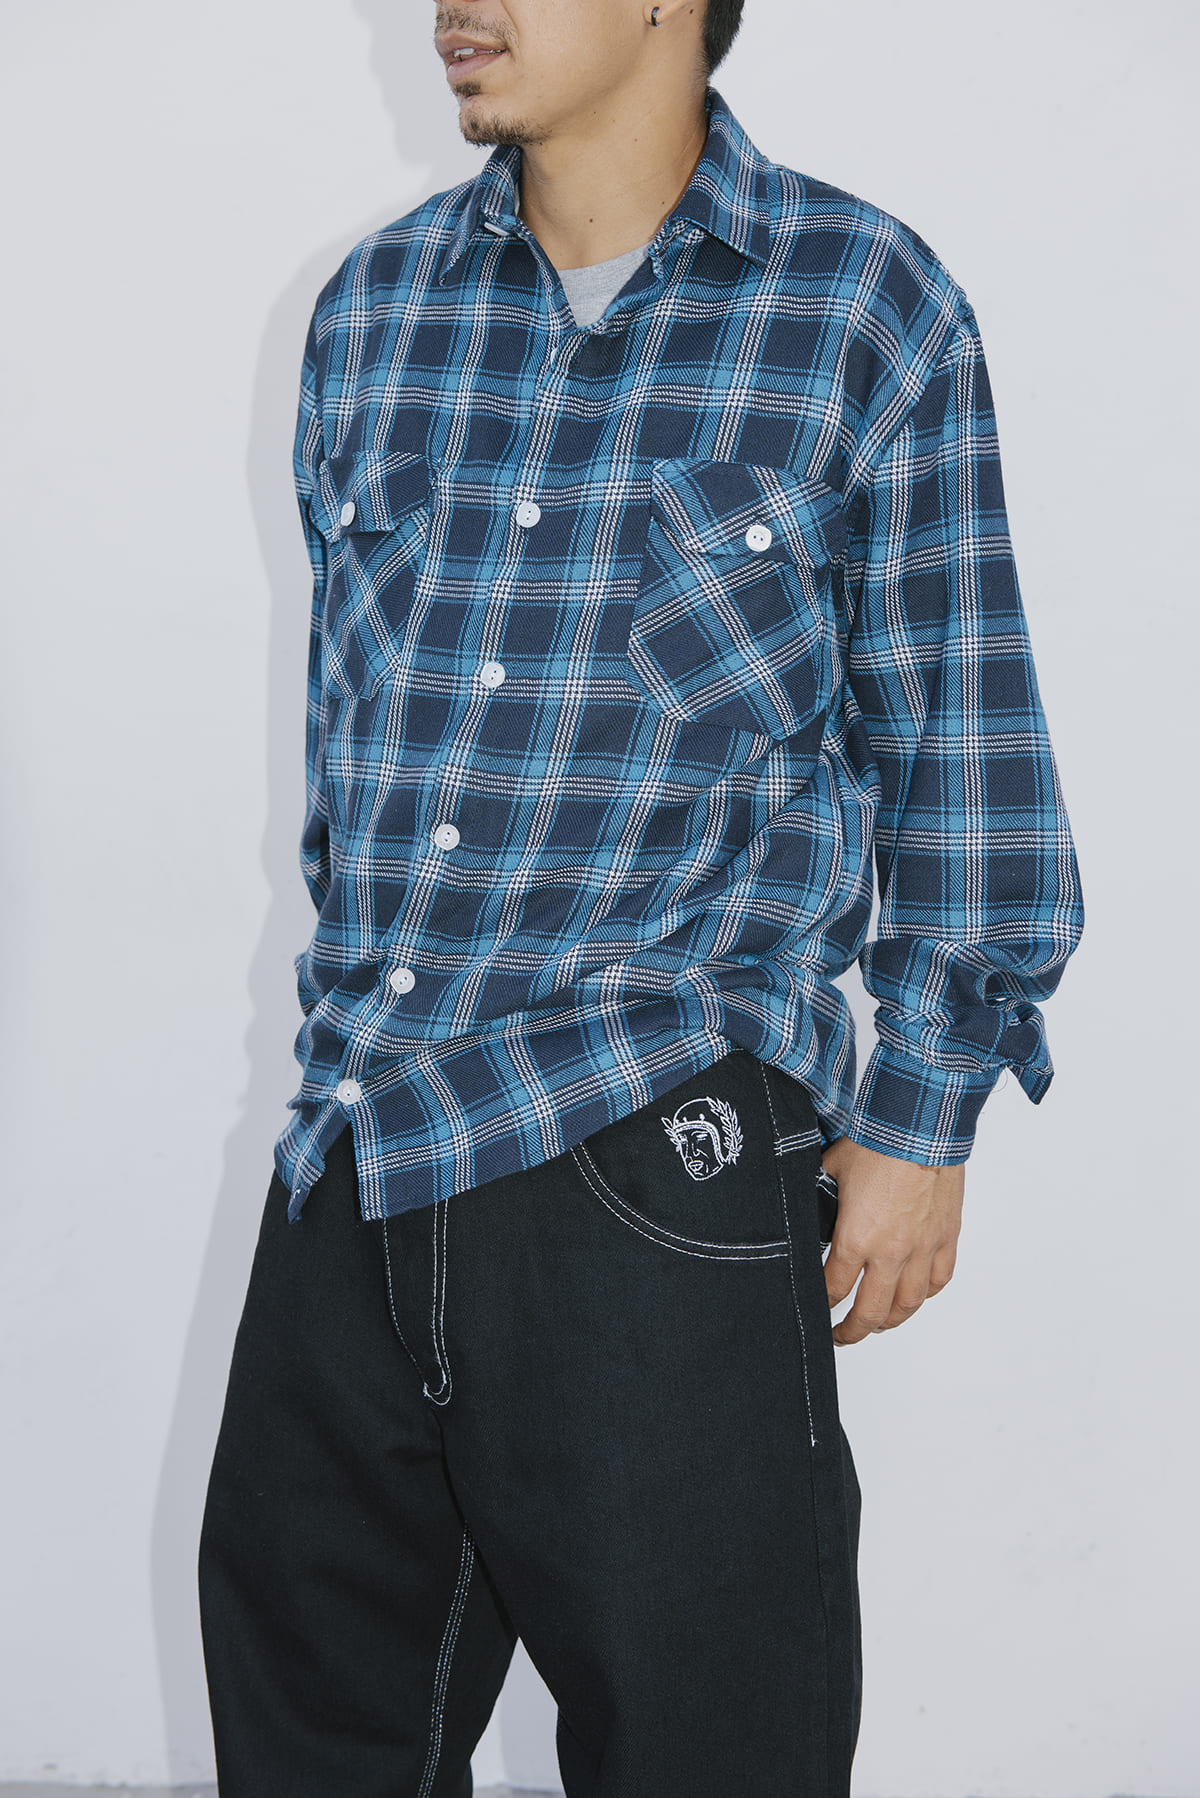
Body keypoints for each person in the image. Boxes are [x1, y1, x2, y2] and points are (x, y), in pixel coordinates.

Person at [197, 2, 1083, 1793]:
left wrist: (922, 1113)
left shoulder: (860, 305)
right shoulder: (373, 312)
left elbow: (965, 734)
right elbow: (362, 754)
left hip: (646, 1152)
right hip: (360, 1155)